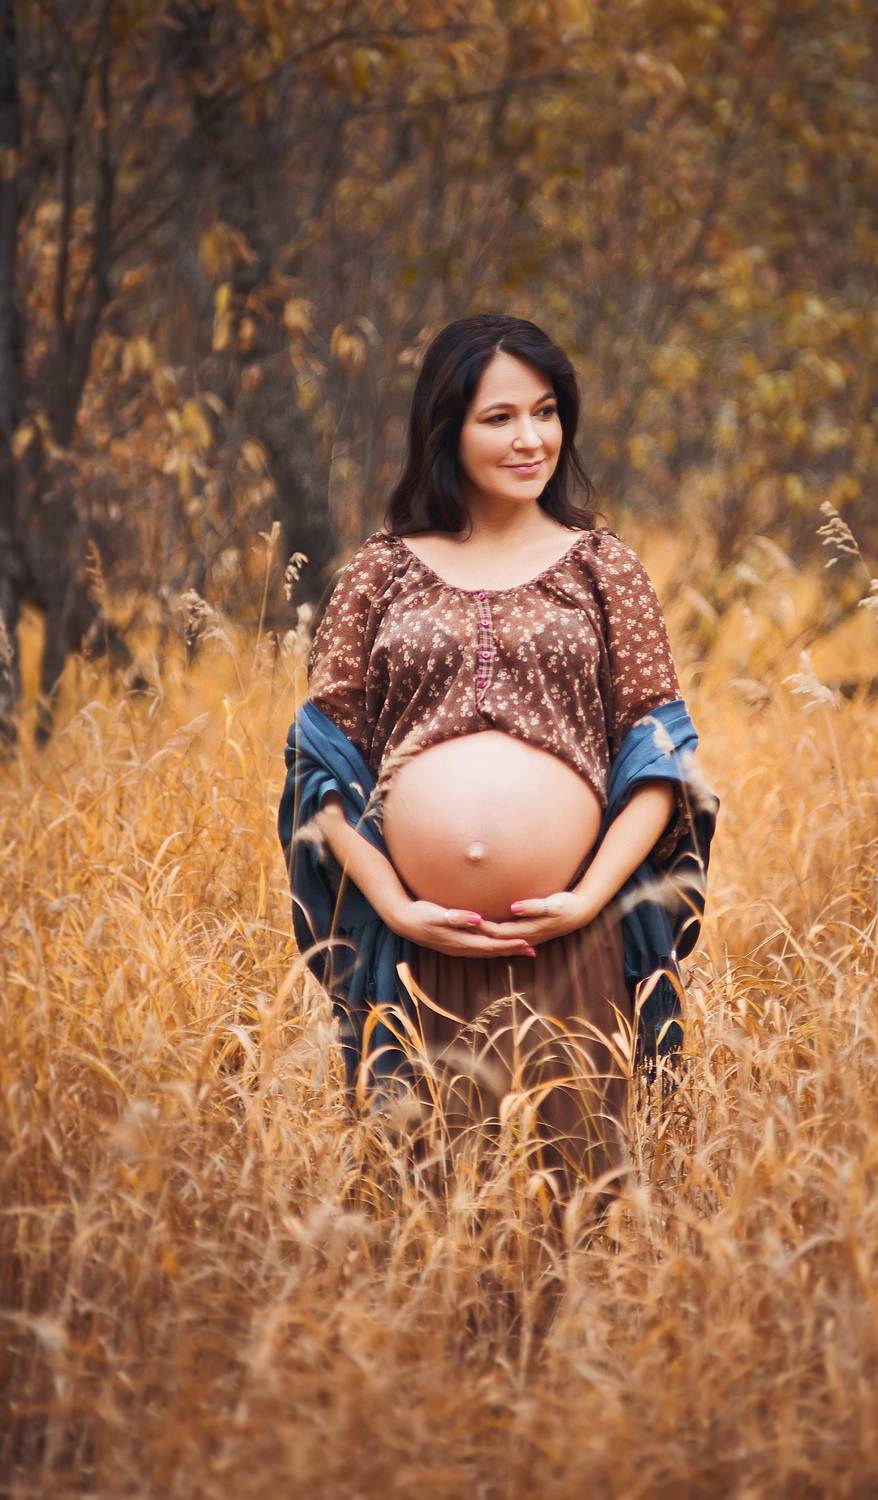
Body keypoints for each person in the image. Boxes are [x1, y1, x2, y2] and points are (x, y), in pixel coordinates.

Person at [278, 313, 719, 1203]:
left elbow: (660, 758)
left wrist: (586, 901)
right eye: (500, 417)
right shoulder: (381, 569)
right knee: (425, 1221)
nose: (530, 439)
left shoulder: (603, 567)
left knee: (574, 1218)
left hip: (569, 948)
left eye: (545, 412)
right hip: (416, 955)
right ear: (446, 429)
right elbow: (319, 767)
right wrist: (396, 906)